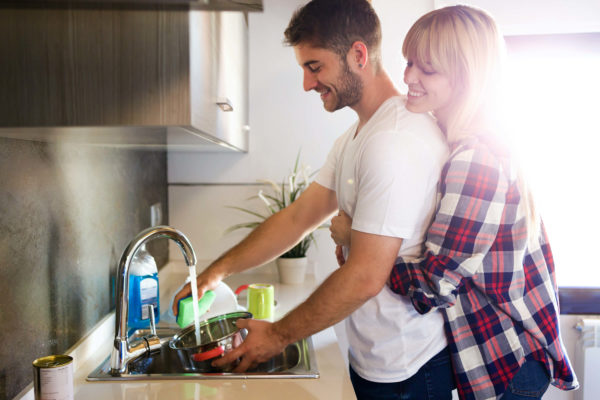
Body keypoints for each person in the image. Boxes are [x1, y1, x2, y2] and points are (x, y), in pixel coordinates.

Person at [172, 0, 454, 398]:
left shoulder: (395, 142)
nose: (307, 83)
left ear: (358, 55)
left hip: (408, 369)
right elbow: (298, 217)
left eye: (315, 66)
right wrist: (216, 273)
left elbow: (365, 276)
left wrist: (277, 336)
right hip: (377, 357)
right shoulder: (358, 137)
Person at [329, 5, 578, 400]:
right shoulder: (455, 139)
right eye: (409, 62)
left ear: (466, 78)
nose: (408, 77)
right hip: (501, 349)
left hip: (509, 357)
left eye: (427, 70)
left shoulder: (476, 158)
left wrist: (357, 238)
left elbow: (432, 285)